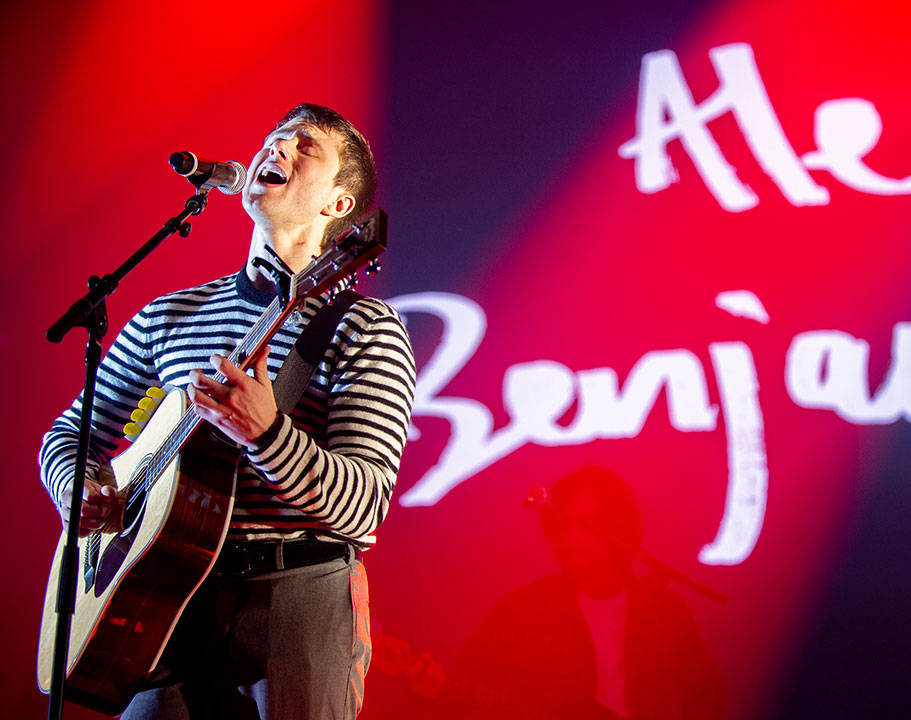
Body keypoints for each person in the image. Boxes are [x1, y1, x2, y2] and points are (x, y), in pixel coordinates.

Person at [38, 103, 417, 720]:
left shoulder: (365, 326)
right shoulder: (168, 315)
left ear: (339, 205)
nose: (278, 148)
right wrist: (77, 484)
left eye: (305, 147)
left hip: (295, 595)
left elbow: (365, 505)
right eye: (275, 138)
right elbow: (71, 432)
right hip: (162, 598)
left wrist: (267, 434)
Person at [445, 466, 726, 720]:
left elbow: (706, 699)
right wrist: (436, 689)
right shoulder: (520, 611)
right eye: (563, 525)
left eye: (587, 525)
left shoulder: (664, 612)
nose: (570, 538)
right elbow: (462, 690)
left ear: (620, 529)